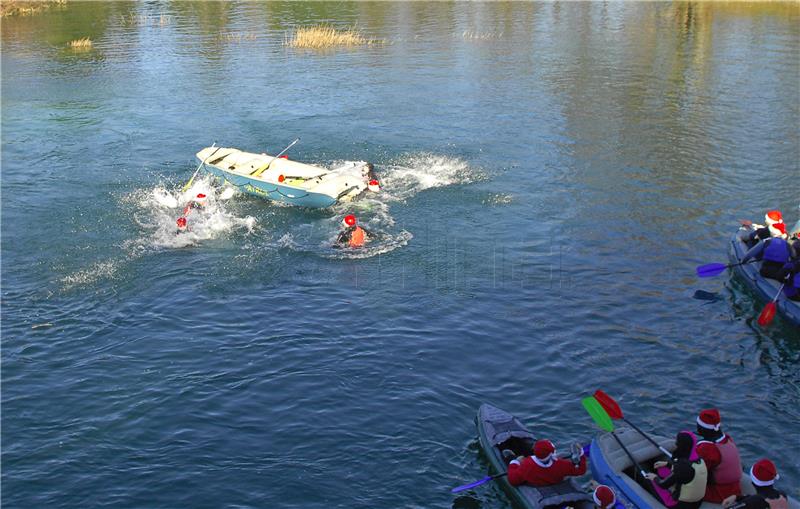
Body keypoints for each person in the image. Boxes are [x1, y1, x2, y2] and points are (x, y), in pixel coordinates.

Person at [645, 431, 708, 509]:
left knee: (648, 477)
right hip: (697, 503)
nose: (676, 443)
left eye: (677, 442)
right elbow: (686, 472)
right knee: (663, 470)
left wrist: (654, 477)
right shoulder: (700, 460)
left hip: (679, 505)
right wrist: (667, 464)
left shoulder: (683, 466)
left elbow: (663, 485)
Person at [693, 409, 742, 503]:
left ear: (702, 429)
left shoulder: (707, 449)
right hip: (735, 489)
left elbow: (696, 473)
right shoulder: (728, 439)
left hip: (718, 493)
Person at [507, 439, 586, 487]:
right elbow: (581, 470)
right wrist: (581, 454)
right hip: (553, 482)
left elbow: (513, 480)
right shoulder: (562, 465)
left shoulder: (527, 464)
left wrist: (515, 462)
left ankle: (511, 457)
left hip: (536, 484)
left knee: (508, 455)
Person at [722, 459, 788, 509]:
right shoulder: (782, 495)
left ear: (753, 482)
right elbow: (759, 498)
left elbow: (753, 501)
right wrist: (736, 497)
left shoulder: (752, 503)